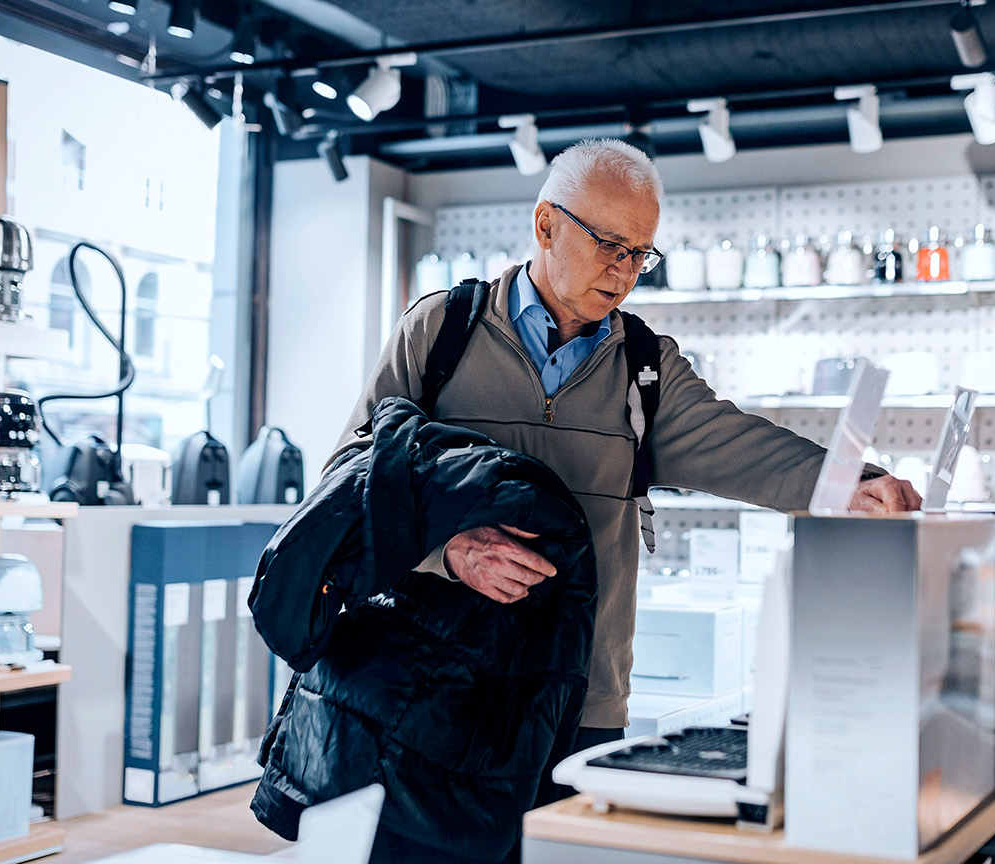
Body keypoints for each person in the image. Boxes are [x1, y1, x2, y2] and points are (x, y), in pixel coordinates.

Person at [336, 136, 921, 794]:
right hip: (438, 684)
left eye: (639, 253)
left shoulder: (646, 368)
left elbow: (740, 446)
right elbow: (349, 483)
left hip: (581, 702)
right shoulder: (439, 333)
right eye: (608, 244)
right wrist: (451, 549)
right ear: (546, 224)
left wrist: (852, 485)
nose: (623, 270)